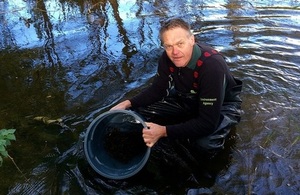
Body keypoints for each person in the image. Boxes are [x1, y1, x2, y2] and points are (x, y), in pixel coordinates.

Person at [110, 18, 242, 153]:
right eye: (168, 46)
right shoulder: (166, 58)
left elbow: (208, 123)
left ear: (192, 40)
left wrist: (163, 131)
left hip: (223, 106)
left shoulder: (212, 66)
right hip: (189, 97)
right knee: (139, 113)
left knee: (204, 143)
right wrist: (127, 103)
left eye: (180, 44)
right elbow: (158, 90)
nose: (175, 52)